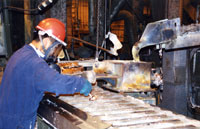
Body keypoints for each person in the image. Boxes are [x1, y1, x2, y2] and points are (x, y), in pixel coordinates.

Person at [0, 18, 92, 129]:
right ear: (47, 41)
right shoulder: (33, 62)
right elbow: (56, 83)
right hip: (16, 124)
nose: (55, 54)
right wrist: (81, 84)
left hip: (8, 118)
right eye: (56, 48)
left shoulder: (21, 53)